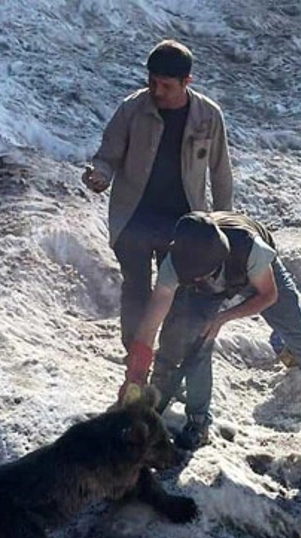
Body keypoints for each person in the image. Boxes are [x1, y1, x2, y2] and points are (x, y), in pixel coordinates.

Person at [118, 211, 301, 451]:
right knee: (194, 338)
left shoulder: (251, 249)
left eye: (204, 273)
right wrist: (136, 375)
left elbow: (268, 295)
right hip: (209, 289)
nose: (199, 278)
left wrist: (224, 317)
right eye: (194, 275)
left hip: (259, 276)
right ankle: (197, 423)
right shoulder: (176, 263)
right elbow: (150, 323)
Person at [82, 39, 233, 350]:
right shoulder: (132, 109)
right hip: (133, 219)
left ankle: (165, 358)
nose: (157, 91)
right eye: (152, 82)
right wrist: (99, 176)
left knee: (178, 293)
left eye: (166, 85)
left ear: (186, 82)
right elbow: (107, 156)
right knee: (136, 290)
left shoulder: (208, 116)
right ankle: (134, 357)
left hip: (183, 224)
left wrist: (223, 225)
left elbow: (220, 174)